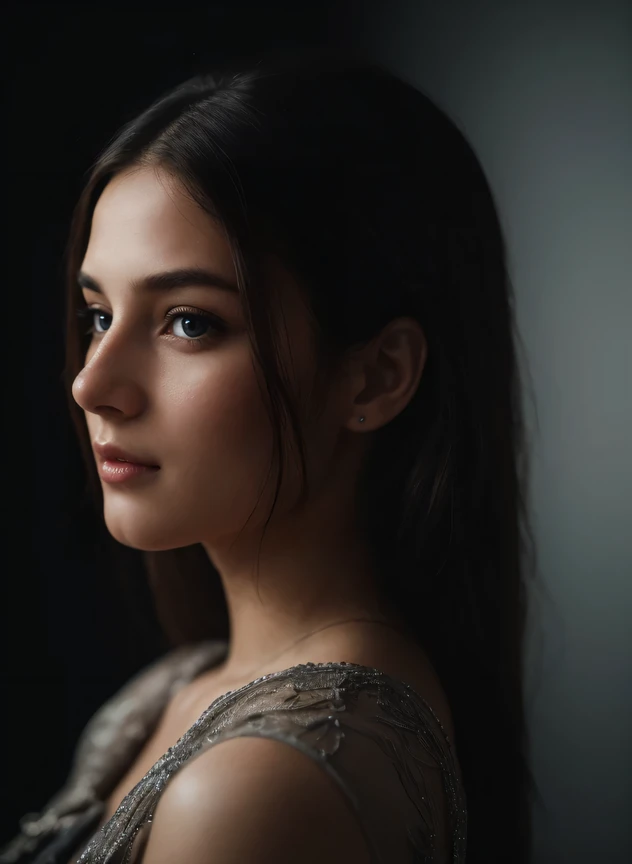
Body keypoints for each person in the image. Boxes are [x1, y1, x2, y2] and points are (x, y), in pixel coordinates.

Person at [2, 49, 538, 864]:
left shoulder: (256, 790)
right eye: (98, 315)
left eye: (190, 321)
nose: (91, 383)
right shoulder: (169, 696)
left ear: (377, 376)